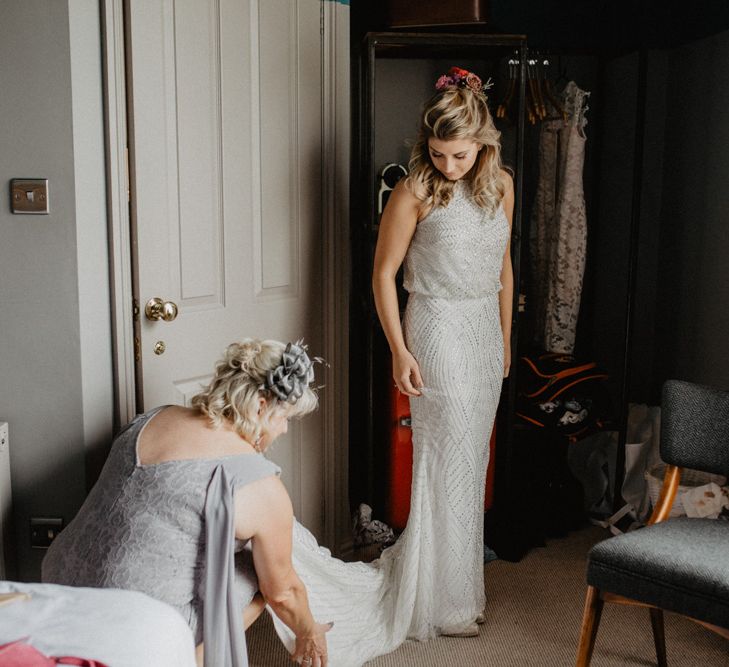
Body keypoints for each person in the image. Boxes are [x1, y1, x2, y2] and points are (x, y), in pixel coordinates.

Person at [264, 65, 514, 665]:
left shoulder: (501, 183)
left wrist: (506, 341)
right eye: (438, 153)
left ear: (482, 145)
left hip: (482, 332)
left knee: (471, 459)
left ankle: (457, 591)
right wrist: (401, 351)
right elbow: (382, 275)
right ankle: (442, 602)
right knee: (443, 459)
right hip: (435, 327)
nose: (448, 166)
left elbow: (505, 268)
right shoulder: (414, 190)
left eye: (459, 155)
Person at [42, 339, 332, 667]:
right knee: (267, 574)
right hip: (136, 624)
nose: (283, 429)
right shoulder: (261, 485)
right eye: (285, 418)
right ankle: (185, 658)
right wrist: (309, 631)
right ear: (261, 407)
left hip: (61, 583)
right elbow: (284, 594)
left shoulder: (154, 417)